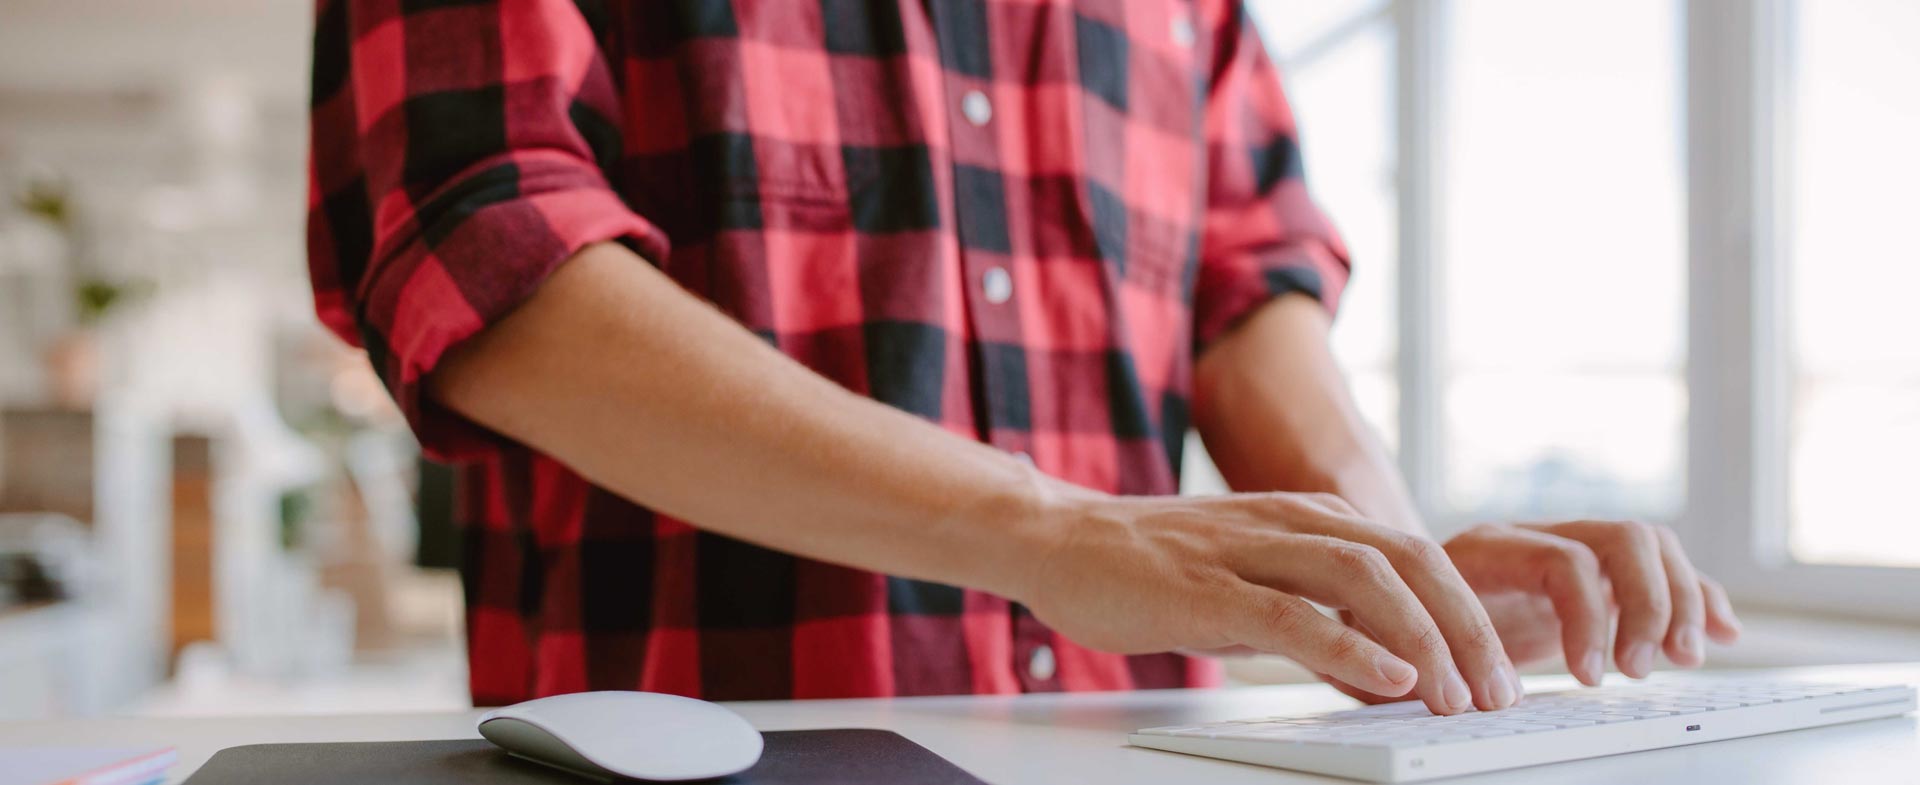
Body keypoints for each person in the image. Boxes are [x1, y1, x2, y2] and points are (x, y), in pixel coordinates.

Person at [307, 0, 1740, 713]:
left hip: (1132, 757)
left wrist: (1403, 578)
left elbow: (1250, 290)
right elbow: (488, 260)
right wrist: (1051, 532)